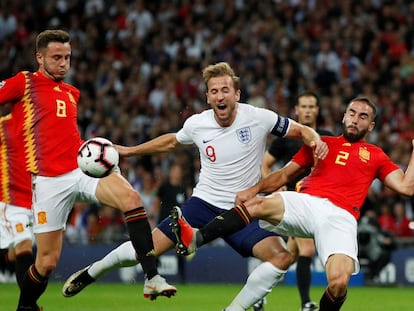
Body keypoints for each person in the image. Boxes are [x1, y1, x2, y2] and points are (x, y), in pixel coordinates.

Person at [62, 61, 328, 310]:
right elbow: (170, 142)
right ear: (208, 97)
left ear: (237, 93)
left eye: (226, 90)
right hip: (202, 206)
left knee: (281, 258)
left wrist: (316, 140)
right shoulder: (197, 124)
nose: (220, 96)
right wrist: (129, 151)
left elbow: (303, 131)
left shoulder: (259, 117)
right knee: (144, 249)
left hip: (244, 211)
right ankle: (92, 272)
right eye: (214, 91)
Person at [171, 96, 414, 311]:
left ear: (370, 125)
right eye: (352, 113)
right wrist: (253, 189)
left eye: (363, 117)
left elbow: (406, 187)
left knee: (339, 283)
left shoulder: (376, 154)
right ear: (344, 116)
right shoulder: (321, 143)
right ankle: (197, 238)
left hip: (341, 216)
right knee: (256, 205)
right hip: (305, 202)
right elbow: (284, 175)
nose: (355, 119)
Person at [0, 29, 176, 311]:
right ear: (39, 57)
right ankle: (25, 307)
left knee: (131, 199)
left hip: (80, 169)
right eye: (56, 57)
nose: (63, 63)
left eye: (67, 57)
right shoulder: (24, 82)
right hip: (48, 182)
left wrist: (99, 151)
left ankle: (152, 276)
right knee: (46, 263)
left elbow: (65, 135)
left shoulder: (72, 93)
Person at [261, 91, 333, 311]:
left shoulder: (327, 137)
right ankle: (306, 304)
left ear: (317, 110)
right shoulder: (287, 139)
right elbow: (264, 164)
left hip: (317, 202)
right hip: (295, 204)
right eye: (304, 106)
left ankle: (258, 294)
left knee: (288, 256)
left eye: (312, 106)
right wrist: (274, 184)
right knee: (307, 249)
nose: (308, 110)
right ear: (297, 110)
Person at [0, 114, 35, 289]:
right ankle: (28, 304)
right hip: (8, 199)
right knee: (24, 245)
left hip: (32, 200)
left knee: (18, 250)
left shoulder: (34, 129)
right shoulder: (4, 127)